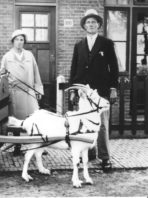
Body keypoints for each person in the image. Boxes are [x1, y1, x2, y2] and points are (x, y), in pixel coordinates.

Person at [69, 9, 119, 171]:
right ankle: (89, 154)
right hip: (83, 91)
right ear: (84, 25)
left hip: (102, 91)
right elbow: (74, 68)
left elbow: (114, 68)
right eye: (88, 22)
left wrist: (113, 88)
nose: (91, 25)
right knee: (85, 122)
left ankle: (105, 158)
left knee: (102, 125)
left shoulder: (106, 43)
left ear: (98, 25)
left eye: (94, 22)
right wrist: (73, 89)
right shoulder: (79, 45)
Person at [0, 29, 44, 120]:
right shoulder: (7, 56)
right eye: (17, 39)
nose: (19, 42)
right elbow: (2, 76)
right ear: (13, 41)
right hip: (15, 93)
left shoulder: (29, 55)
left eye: (21, 40)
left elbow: (36, 73)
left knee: (33, 118)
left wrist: (38, 89)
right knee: (17, 121)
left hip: (29, 91)